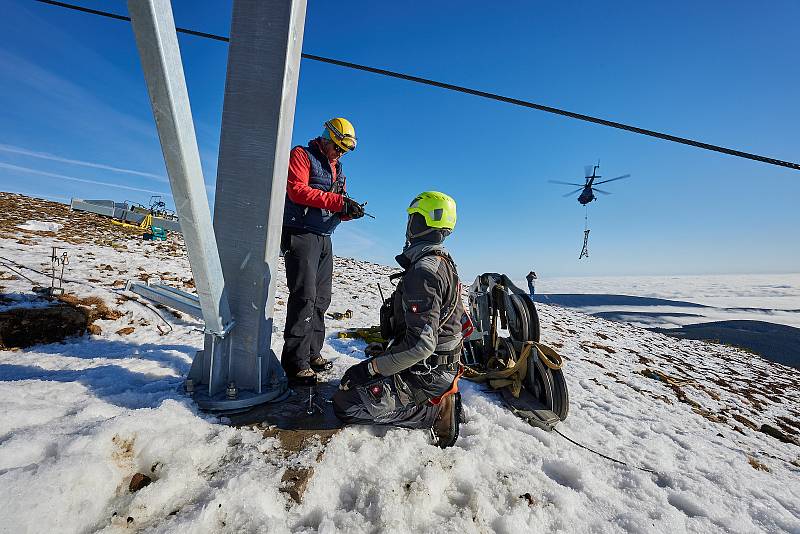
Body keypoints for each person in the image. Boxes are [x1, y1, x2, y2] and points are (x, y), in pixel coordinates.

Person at [333, 191, 465, 448]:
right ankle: (435, 397)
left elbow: (421, 346)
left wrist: (373, 368)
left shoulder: (424, 272)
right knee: (352, 378)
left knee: (345, 404)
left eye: (413, 218)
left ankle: (435, 412)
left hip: (427, 373)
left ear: (421, 223)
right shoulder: (442, 264)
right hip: (436, 367)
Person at [281, 117, 365, 385]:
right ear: (327, 138)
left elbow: (335, 205)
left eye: (344, 150)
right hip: (301, 232)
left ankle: (312, 353)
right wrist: (339, 201)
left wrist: (348, 211)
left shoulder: (338, 170)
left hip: (325, 237)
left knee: (320, 299)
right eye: (338, 147)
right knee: (304, 296)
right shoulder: (302, 155)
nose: (339, 153)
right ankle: (295, 362)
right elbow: (297, 191)